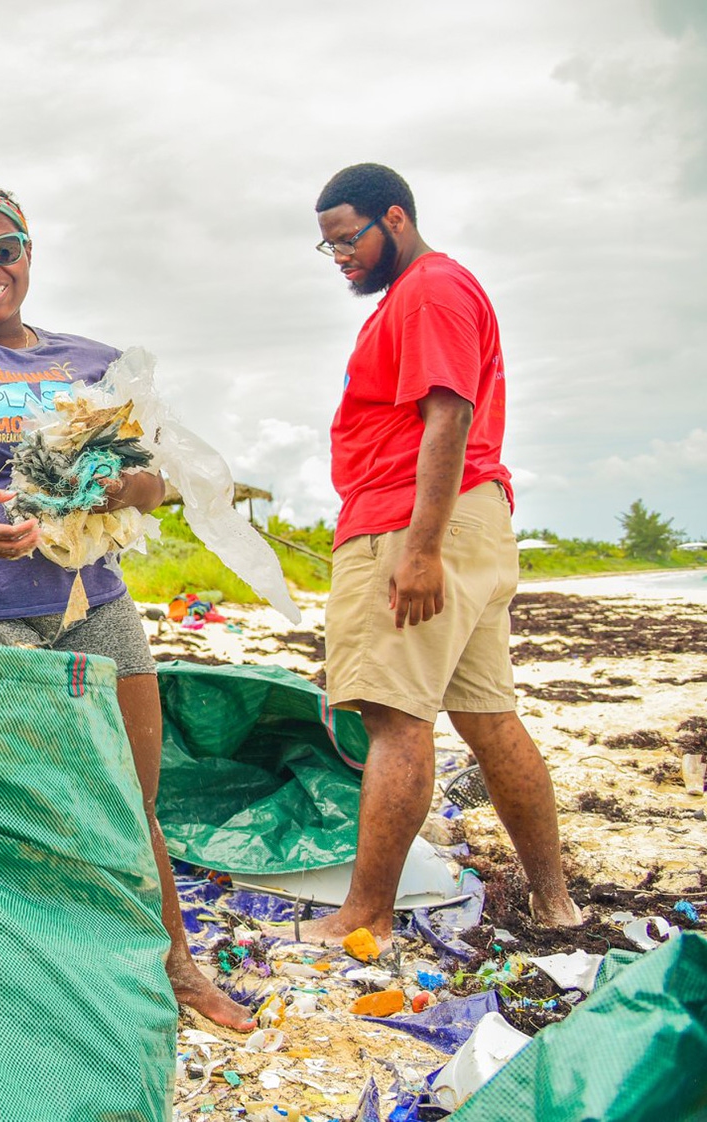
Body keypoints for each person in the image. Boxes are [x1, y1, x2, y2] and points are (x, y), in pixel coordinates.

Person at [0, 183, 254, 1031]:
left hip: (92, 602)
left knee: (131, 798)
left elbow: (152, 482)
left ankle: (175, 967)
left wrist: (123, 483)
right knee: (2, 804)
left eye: (4, 248)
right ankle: (16, 991)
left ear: (29, 251)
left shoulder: (91, 359)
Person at [297, 163, 578, 944]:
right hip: (467, 522)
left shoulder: (428, 289)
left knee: (395, 720)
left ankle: (366, 917)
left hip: (416, 523)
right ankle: (556, 904)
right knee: (489, 718)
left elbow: (446, 414)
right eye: (329, 248)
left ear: (396, 217)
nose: (342, 258)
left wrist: (418, 549)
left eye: (348, 239)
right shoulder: (428, 292)